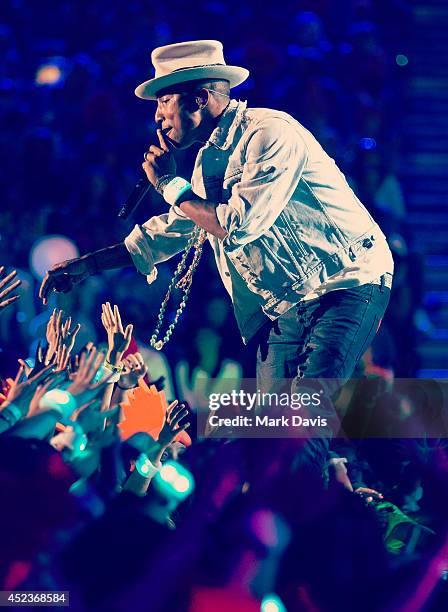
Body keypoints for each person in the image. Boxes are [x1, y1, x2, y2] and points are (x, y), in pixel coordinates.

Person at [39, 40, 393, 474]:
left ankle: (310, 520)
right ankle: (315, 501)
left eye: (165, 100)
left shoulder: (271, 133)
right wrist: (83, 266)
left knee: (300, 424)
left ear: (200, 99)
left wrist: (169, 184)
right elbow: (170, 231)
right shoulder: (207, 162)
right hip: (285, 307)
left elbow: (237, 223)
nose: (157, 115)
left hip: (345, 283)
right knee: (272, 440)